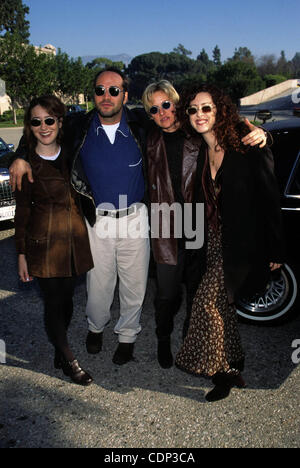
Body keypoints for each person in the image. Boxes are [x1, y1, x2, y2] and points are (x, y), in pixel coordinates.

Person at [10, 68, 150, 366]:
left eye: (114, 90)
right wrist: (21, 155)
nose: (107, 96)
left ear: (125, 94)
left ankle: (127, 336)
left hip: (136, 215)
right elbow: (42, 128)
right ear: (93, 95)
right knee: (98, 284)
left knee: (134, 284)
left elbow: (180, 129)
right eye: (100, 90)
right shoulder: (78, 126)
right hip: (96, 218)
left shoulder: (142, 124)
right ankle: (96, 328)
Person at [142, 80, 269, 369]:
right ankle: (163, 337)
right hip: (165, 226)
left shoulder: (196, 134)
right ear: (148, 114)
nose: (162, 112)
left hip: (198, 224)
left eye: (166, 105)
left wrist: (264, 134)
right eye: (153, 109)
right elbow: (86, 123)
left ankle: (192, 340)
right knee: (167, 293)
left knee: (199, 291)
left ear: (177, 104)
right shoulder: (146, 137)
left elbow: (231, 130)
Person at [175, 84, 284, 401]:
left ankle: (219, 371)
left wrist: (276, 248)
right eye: (193, 109)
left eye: (206, 108)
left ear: (220, 110)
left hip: (241, 242)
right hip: (209, 239)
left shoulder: (246, 146)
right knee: (222, 305)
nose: (199, 114)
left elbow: (269, 198)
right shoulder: (196, 149)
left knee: (207, 302)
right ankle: (234, 362)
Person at [14, 95, 94, 386]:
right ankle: (69, 359)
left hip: (73, 239)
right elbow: (21, 212)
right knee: (52, 302)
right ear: (29, 126)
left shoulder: (73, 153)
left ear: (61, 122)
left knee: (67, 301)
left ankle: (60, 352)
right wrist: (21, 254)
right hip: (43, 243)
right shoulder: (24, 164)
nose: (43, 127)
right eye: (36, 122)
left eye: (50, 120)